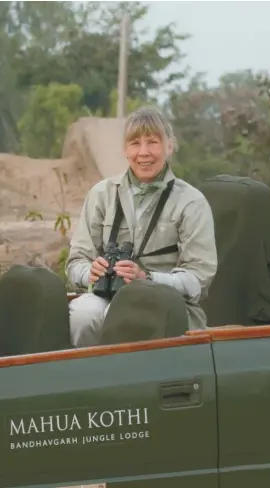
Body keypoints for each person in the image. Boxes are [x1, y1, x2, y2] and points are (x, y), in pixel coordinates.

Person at [66, 105, 218, 347]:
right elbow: (76, 263)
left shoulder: (191, 202)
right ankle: (88, 378)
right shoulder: (102, 194)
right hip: (107, 295)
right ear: (125, 150)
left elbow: (198, 279)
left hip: (167, 304)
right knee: (83, 314)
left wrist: (145, 277)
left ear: (169, 146)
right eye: (135, 143)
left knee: (123, 318)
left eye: (153, 142)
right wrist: (91, 273)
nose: (143, 152)